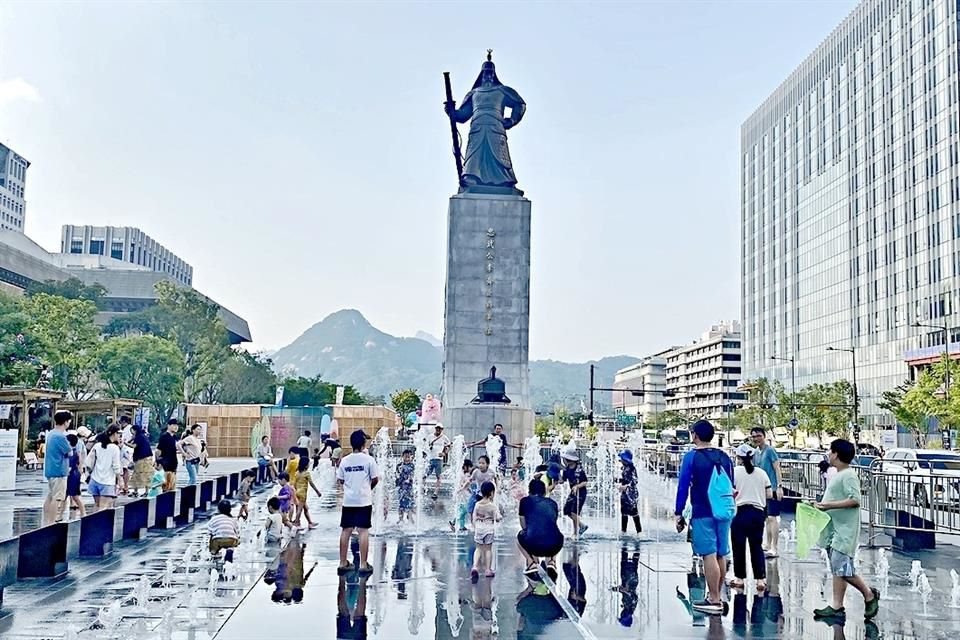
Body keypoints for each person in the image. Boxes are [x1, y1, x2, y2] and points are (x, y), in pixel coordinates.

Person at [813, 438, 879, 621]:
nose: (828, 453)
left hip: (845, 531)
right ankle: (837, 605)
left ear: (836, 454)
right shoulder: (840, 474)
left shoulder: (849, 475)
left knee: (842, 567)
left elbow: (855, 500)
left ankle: (869, 594)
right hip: (835, 529)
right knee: (837, 568)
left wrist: (828, 506)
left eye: (830, 450)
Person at [674, 419, 734, 615]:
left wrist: (678, 512)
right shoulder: (724, 457)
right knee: (720, 554)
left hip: (703, 511)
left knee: (708, 554)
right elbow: (730, 485)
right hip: (724, 511)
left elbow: (683, 486)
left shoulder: (691, 457)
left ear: (695, 435)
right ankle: (717, 595)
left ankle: (714, 600)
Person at [336, 430, 379, 575]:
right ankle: (363, 564)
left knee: (346, 530)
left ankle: (342, 562)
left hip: (348, 501)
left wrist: (350, 488)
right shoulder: (369, 460)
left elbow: (340, 480)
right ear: (363, 444)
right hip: (363, 500)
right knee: (363, 531)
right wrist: (367, 489)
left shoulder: (345, 460)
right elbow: (375, 479)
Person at [730, 444, 772, 591]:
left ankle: (739, 579)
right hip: (757, 513)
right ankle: (760, 580)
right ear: (753, 457)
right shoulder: (762, 473)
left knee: (738, 546)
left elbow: (730, 492)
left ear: (738, 458)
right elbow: (769, 495)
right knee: (756, 546)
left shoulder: (734, 472)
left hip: (739, 513)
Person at [518, 478, 564, 582]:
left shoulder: (524, 501)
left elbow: (523, 525)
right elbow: (551, 524)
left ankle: (531, 563)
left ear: (529, 491)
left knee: (519, 537)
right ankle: (552, 561)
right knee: (555, 534)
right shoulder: (552, 503)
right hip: (555, 545)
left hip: (534, 545)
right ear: (544, 491)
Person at [750, 427, 783, 557]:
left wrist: (780, 486)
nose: (756, 438)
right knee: (766, 519)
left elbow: (777, 468)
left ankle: (774, 547)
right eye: (753, 436)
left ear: (764, 436)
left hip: (773, 488)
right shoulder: (756, 452)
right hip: (761, 490)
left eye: (758, 436)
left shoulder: (770, 451)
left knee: (772, 518)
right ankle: (768, 544)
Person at [43, 410, 73, 525]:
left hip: (50, 469)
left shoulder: (51, 434)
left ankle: (46, 520)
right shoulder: (60, 437)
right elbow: (69, 452)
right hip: (59, 470)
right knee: (57, 498)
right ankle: (51, 522)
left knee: (50, 496)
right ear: (65, 422)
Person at [85, 425, 123, 512]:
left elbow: (89, 460)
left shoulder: (97, 445)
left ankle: (92, 524)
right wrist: (120, 480)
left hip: (94, 479)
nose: (120, 437)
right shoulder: (114, 448)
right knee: (103, 507)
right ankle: (99, 525)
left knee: (97, 505)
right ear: (114, 434)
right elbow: (116, 467)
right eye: (119, 434)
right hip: (107, 482)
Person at [471, 481, 502, 582]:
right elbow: (497, 518)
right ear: (492, 493)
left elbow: (474, 516)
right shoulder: (492, 506)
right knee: (488, 549)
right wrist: (499, 517)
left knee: (478, 549)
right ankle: (488, 570)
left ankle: (475, 566)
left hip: (479, 529)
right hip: (489, 530)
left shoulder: (477, 504)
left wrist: (475, 526)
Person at [561, 446, 589, 536]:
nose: (565, 461)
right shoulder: (566, 469)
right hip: (573, 493)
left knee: (574, 512)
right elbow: (562, 480)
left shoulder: (579, 469)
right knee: (567, 511)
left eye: (566, 459)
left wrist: (577, 486)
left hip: (581, 493)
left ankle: (575, 533)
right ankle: (582, 526)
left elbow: (585, 482)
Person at [617, 449, 642, 535]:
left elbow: (635, 480)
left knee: (634, 512)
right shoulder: (624, 468)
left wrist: (626, 486)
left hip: (631, 493)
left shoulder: (632, 468)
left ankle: (639, 532)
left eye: (622, 459)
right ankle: (623, 531)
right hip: (624, 493)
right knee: (623, 511)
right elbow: (625, 479)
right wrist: (618, 480)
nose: (620, 460)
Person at [293, 456, 322, 528]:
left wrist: (295, 492)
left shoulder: (297, 473)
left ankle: (310, 523)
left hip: (297, 492)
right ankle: (296, 523)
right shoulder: (307, 473)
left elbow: (294, 484)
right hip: (303, 494)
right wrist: (317, 492)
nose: (309, 465)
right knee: (299, 510)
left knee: (305, 509)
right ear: (306, 465)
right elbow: (311, 484)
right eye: (308, 464)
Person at [468, 455, 497, 525]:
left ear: (487, 464)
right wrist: (462, 488)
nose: (480, 465)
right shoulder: (476, 472)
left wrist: (497, 488)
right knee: (472, 508)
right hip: (479, 493)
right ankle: (473, 524)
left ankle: (491, 521)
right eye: (479, 463)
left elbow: (496, 478)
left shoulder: (491, 472)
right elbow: (470, 480)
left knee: (489, 508)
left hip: (488, 494)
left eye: (483, 463)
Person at [449, 459, 474, 532]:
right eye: (469, 467)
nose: (470, 468)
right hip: (462, 494)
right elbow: (462, 484)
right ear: (465, 467)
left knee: (462, 510)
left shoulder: (465, 474)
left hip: (464, 494)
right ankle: (454, 522)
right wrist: (462, 489)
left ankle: (461, 526)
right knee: (464, 509)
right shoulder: (462, 474)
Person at [65, 433, 86, 520]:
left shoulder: (71, 453)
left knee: (75, 496)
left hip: (72, 476)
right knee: (67, 495)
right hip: (74, 475)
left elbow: (71, 465)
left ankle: (83, 513)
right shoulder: (74, 452)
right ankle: (59, 515)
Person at [427, 424, 451, 498]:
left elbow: (449, 446)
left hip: (439, 459)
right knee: (425, 474)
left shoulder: (444, 437)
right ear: (435, 428)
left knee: (438, 476)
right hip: (430, 458)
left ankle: (435, 493)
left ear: (442, 429)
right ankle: (422, 490)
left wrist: (444, 453)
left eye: (440, 429)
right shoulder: (430, 436)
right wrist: (429, 447)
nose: (438, 430)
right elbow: (425, 445)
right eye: (437, 428)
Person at [130, 422, 153, 497]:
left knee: (138, 474)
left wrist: (125, 443)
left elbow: (134, 446)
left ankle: (137, 491)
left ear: (135, 430)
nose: (131, 433)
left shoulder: (139, 437)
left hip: (142, 459)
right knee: (145, 475)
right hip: (147, 458)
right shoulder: (143, 436)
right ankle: (144, 491)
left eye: (132, 431)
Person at [157, 419, 181, 491]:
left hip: (173, 463)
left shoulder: (174, 437)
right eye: (174, 425)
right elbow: (158, 450)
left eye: (177, 425)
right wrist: (158, 462)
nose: (176, 427)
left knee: (172, 486)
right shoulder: (164, 437)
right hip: (166, 464)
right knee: (166, 485)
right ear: (168, 426)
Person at [396, 449, 415, 523]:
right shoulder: (399, 465)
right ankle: (400, 519)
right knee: (401, 504)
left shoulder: (412, 466)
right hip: (402, 487)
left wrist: (410, 479)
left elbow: (413, 475)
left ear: (411, 457)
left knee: (409, 504)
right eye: (405, 457)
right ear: (402, 456)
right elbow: (397, 475)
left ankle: (410, 518)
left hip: (409, 488)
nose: (407, 459)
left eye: (408, 457)